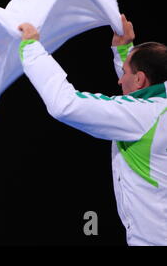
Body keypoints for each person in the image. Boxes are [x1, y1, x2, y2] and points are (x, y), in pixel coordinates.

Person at [17, 15, 167, 245]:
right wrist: (124, 51)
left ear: (140, 79)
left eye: (125, 72)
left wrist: (31, 48)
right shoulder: (156, 107)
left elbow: (66, 104)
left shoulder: (144, 116)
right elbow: (139, 91)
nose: (119, 81)